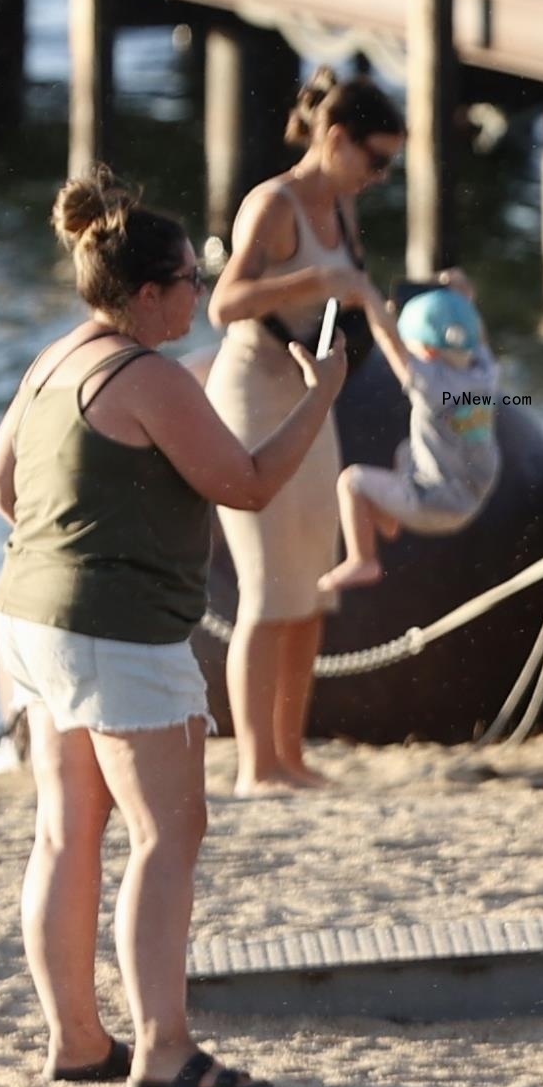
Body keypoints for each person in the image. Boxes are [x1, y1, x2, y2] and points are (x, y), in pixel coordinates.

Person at [0, 168, 345, 1087]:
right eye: (189, 277)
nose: (200, 290)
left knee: (65, 833)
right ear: (147, 295)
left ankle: (76, 1043)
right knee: (167, 831)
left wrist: (76, 532)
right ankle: (165, 1047)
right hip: (119, 635)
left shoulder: (55, 359)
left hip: (29, 620)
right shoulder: (151, 377)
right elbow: (250, 483)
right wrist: (321, 393)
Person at [206, 66, 403, 793]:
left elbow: (359, 298)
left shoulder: (344, 207)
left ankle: (290, 754)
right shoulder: (274, 203)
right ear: (335, 139)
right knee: (266, 585)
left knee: (313, 583)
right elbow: (223, 304)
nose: (381, 176)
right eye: (375, 160)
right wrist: (316, 284)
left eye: (391, 164)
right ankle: (256, 766)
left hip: (312, 396)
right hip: (255, 390)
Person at [318, 276, 501, 595]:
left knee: (352, 482)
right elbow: (476, 336)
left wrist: (368, 297)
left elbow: (390, 341)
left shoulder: (430, 384)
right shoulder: (484, 371)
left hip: (434, 502)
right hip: (476, 492)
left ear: (427, 352)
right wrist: (462, 302)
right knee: (407, 450)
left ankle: (363, 559)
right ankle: (388, 518)